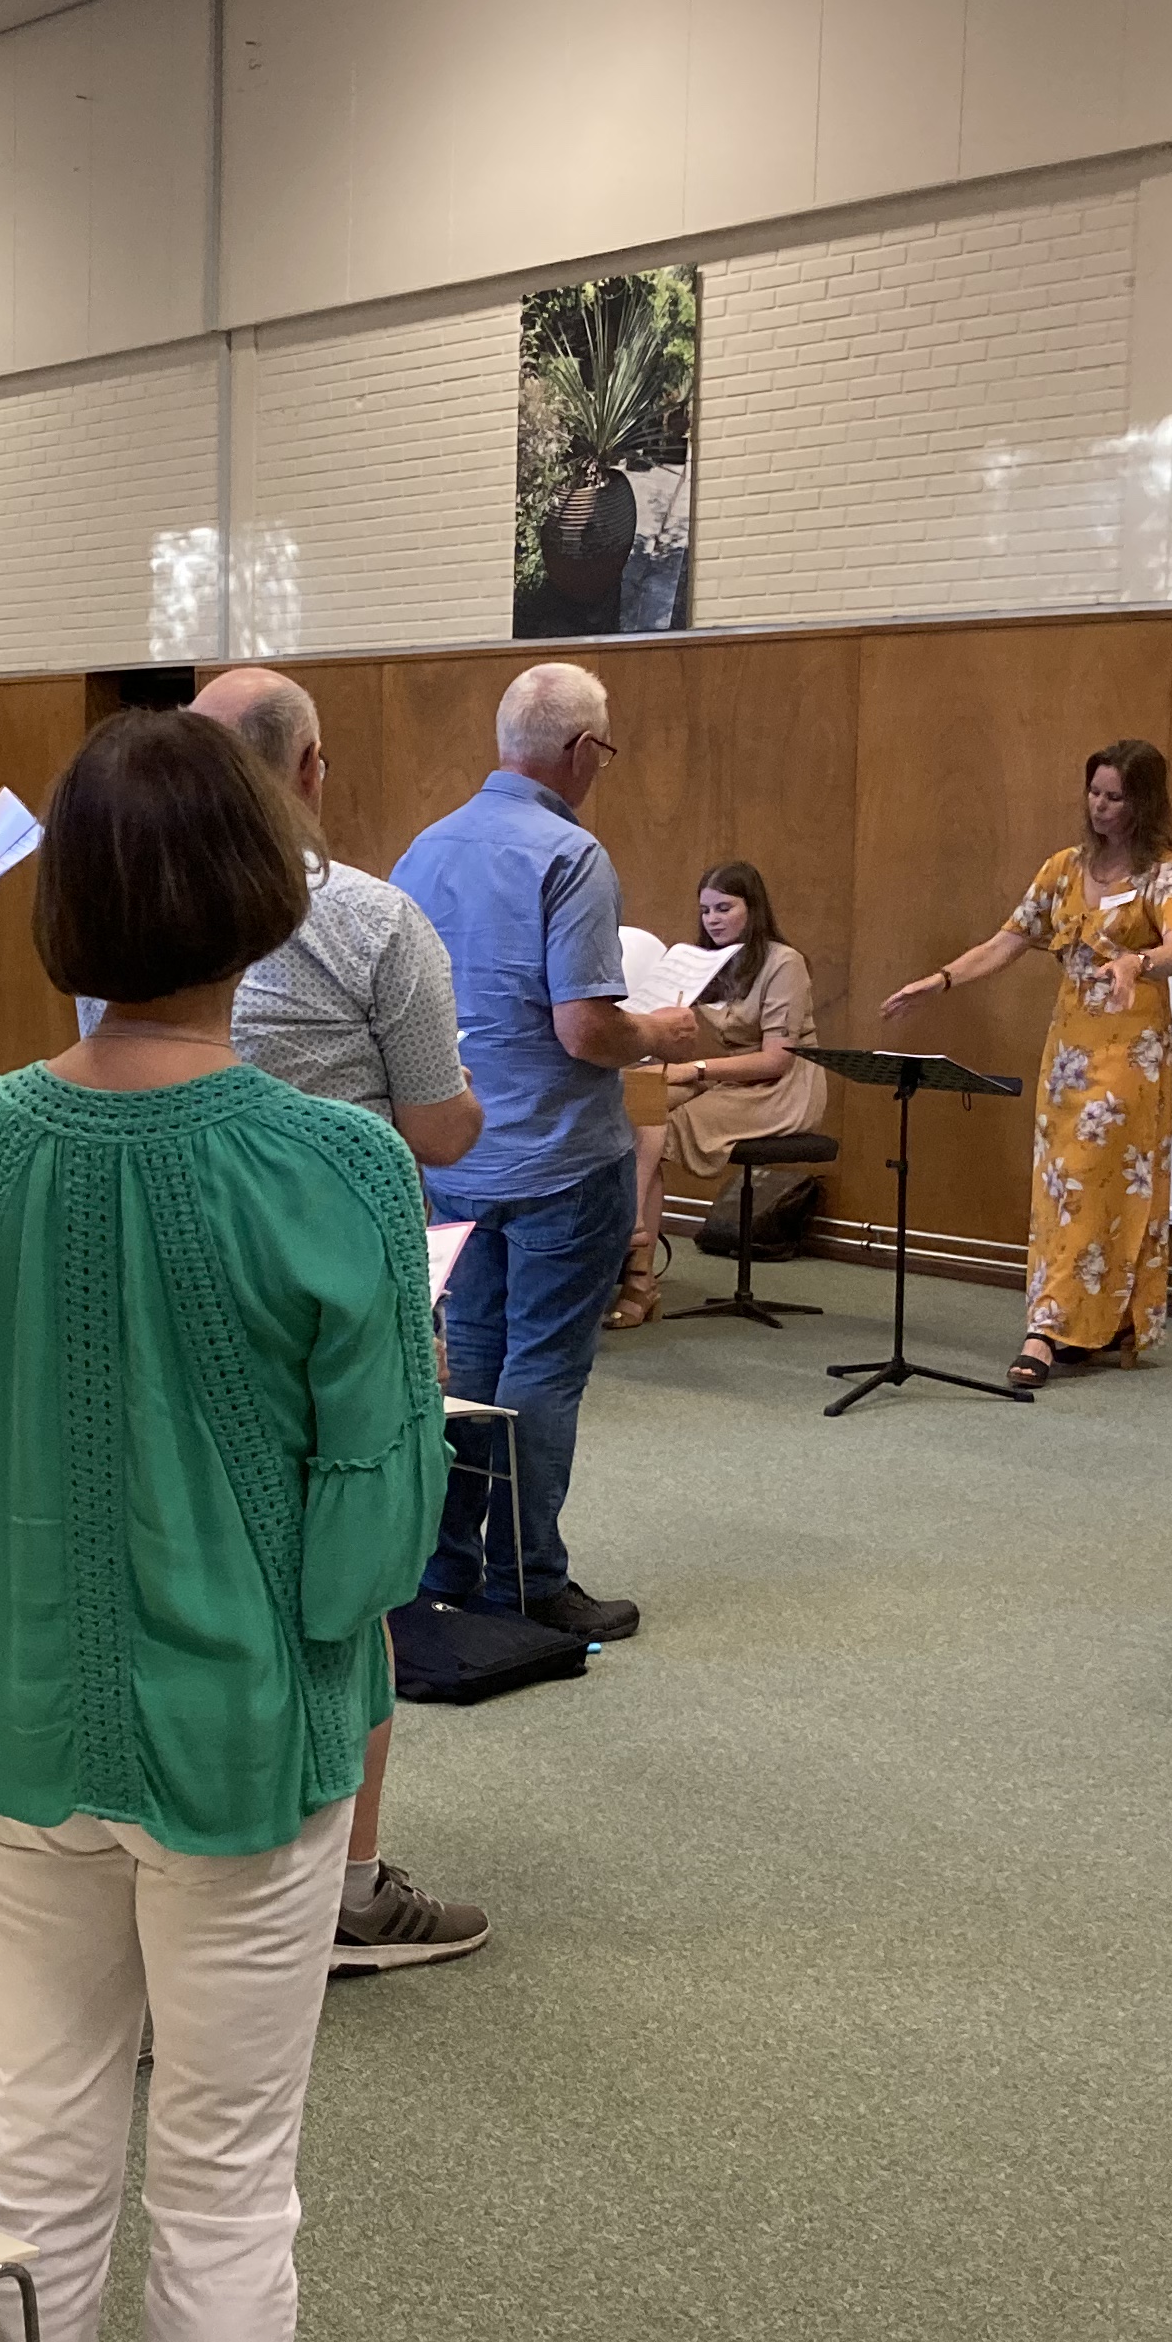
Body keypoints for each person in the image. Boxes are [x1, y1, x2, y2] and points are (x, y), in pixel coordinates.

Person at [0, 707, 443, 2342]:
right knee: (221, 2182)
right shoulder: (339, 1164)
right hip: (240, 1739)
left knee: (33, 2147)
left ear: (69, 917)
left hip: (10, 1720)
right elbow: (373, 1542)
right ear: (263, 900)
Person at [182, 666, 490, 1977]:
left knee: (202, 1550)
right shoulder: (372, 918)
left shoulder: (146, 911)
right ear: (311, 769)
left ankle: (205, 1839)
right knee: (353, 1578)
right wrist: (464, 1102)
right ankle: (348, 1887)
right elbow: (437, 1129)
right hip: (343, 1286)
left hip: (180, 1276)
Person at [387, 662, 703, 1642]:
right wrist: (659, 1032)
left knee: (470, 1361)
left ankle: (447, 1564)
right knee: (543, 1372)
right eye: (603, 751)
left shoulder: (423, 851)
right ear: (579, 750)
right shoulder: (573, 855)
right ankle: (529, 1580)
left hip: (454, 1155)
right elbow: (586, 1031)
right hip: (562, 1162)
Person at [878, 738, 1172, 1390]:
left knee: (1092, 1180)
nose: (1101, 806)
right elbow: (1006, 942)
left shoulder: (1166, 874)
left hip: (1130, 1054)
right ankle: (1089, 1324)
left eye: (1116, 797)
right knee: (1061, 1187)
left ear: (1143, 802)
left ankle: (1046, 1331)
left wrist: (1135, 962)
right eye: (1095, 793)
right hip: (1068, 1053)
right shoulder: (1062, 868)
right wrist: (940, 981)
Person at [611, 860, 829, 1329]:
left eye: (724, 908)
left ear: (753, 908)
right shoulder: (705, 962)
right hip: (729, 1078)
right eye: (706, 910)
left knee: (660, 1127)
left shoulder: (783, 963)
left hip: (781, 1089)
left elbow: (776, 1062)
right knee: (641, 1100)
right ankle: (634, 1249)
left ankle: (637, 1270)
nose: (712, 919)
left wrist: (693, 1070)